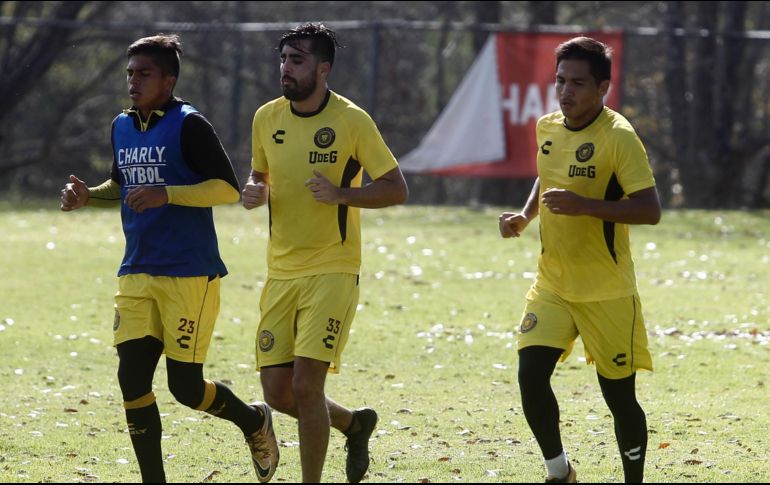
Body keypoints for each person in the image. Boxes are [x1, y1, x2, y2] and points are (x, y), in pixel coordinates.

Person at [59, 34, 279, 483]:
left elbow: (226, 189)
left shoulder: (189, 124)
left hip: (189, 273)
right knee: (132, 380)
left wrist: (168, 194)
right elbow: (123, 186)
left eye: (144, 74)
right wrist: (89, 196)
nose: (133, 82)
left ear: (169, 79)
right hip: (137, 270)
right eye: (129, 73)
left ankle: (254, 421)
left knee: (185, 388)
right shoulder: (122, 125)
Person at [242, 23, 409, 483]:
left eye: (297, 60)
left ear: (323, 67)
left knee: (306, 385)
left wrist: (342, 195)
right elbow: (260, 175)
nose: (286, 69)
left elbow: (396, 189)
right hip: (281, 270)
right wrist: (255, 190)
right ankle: (355, 425)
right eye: (284, 59)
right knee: (277, 392)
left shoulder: (352, 121)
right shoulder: (266, 118)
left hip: (333, 269)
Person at [499, 37, 661, 483]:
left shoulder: (619, 138)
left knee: (619, 398)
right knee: (530, 375)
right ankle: (559, 472)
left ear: (603, 87)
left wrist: (586, 205)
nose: (566, 92)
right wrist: (525, 215)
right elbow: (546, 174)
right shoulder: (548, 127)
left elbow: (650, 210)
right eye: (560, 81)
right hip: (552, 283)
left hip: (606, 291)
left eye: (578, 83)